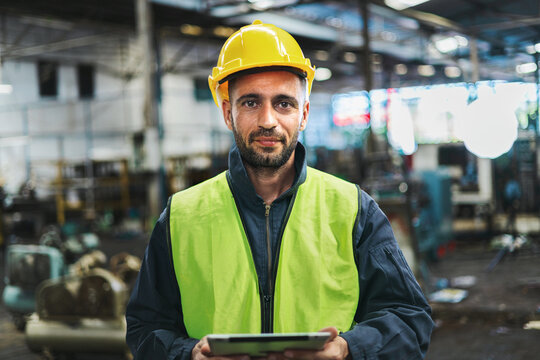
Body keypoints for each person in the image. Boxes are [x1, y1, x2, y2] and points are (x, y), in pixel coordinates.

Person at [126, 20, 433, 360]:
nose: (268, 120)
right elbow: (144, 328)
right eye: (251, 103)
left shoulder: (353, 210)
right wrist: (188, 355)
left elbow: (410, 319)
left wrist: (348, 349)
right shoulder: (182, 215)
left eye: (284, 103)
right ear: (229, 113)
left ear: (303, 114)